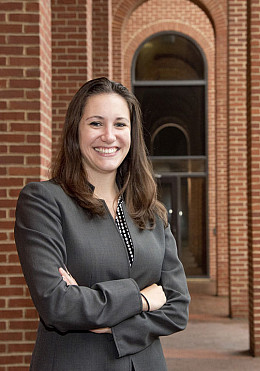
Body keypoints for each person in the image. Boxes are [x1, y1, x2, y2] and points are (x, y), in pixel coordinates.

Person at [14, 77, 190, 371]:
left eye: (120, 124)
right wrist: (142, 299)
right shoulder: (44, 202)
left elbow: (178, 306)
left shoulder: (151, 212)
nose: (109, 136)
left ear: (132, 134)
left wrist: (108, 322)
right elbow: (58, 305)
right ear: (76, 130)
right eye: (96, 123)